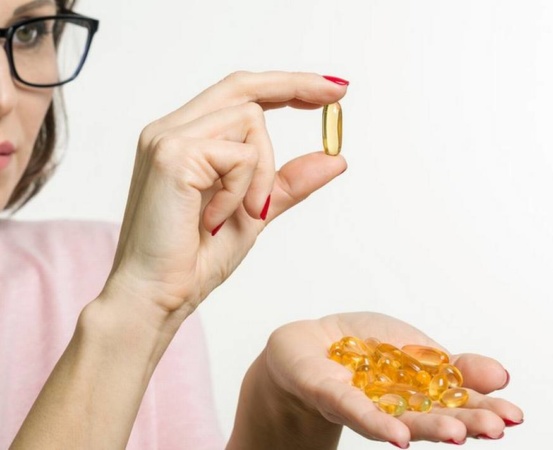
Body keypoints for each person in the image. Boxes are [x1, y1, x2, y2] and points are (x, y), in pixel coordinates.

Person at [0, 1, 524, 449]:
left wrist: (281, 417)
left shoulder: (108, 266)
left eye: (27, 33)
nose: (3, 97)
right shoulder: (127, 299)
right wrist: (132, 316)